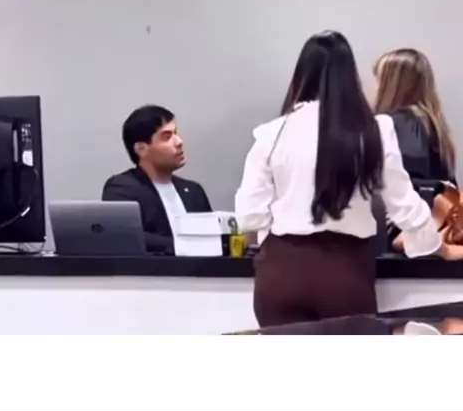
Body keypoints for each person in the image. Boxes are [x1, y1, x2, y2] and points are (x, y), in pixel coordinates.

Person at [235, 31, 450, 328]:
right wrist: (433, 243)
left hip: (280, 273)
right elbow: (404, 206)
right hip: (345, 272)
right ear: (351, 78)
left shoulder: (270, 133)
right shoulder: (376, 130)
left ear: (301, 75)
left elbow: (249, 216)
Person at [102, 105, 211, 254]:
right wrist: (185, 245)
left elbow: (212, 239)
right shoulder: (122, 188)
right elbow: (126, 237)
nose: (179, 142)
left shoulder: (193, 191)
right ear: (141, 149)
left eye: (176, 133)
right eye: (167, 137)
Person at [373, 48, 456, 184]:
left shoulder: (401, 124)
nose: (375, 88)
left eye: (379, 80)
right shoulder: (431, 124)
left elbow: (406, 179)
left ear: (392, 86)